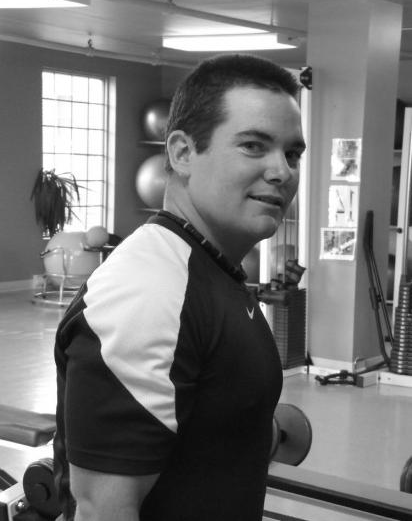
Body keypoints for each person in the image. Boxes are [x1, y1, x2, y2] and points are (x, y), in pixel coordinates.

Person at [53, 53, 306, 521]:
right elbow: (104, 511)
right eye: (254, 146)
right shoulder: (148, 292)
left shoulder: (207, 267)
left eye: (292, 154)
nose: (282, 171)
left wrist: (265, 432)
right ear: (182, 153)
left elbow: (198, 424)